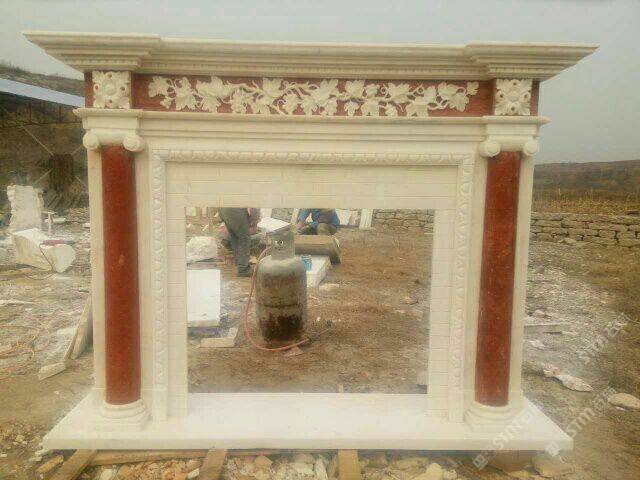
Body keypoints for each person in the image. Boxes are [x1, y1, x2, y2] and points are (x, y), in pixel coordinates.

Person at [218, 208, 259, 277]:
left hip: (224, 210)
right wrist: (254, 220)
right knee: (244, 239)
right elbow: (254, 206)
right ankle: (243, 269)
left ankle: (240, 264)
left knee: (235, 238)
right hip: (235, 210)